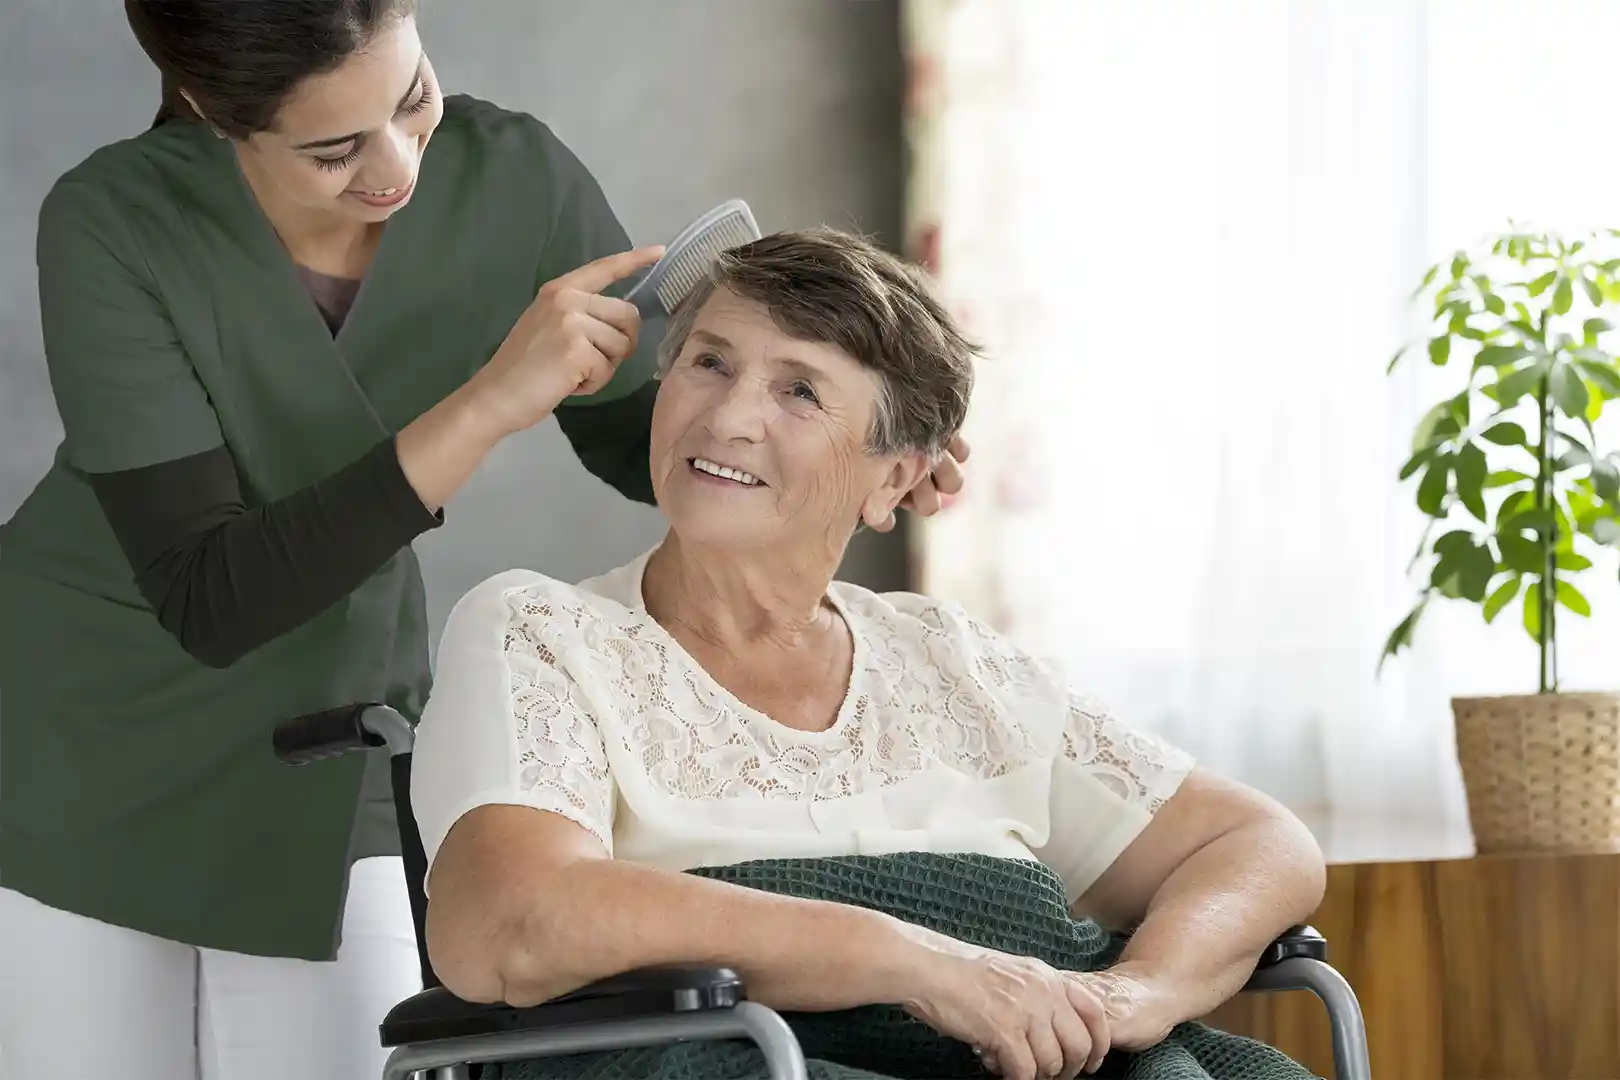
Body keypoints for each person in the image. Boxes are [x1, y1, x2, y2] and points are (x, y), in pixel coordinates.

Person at [0, 5, 966, 1079]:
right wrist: (491, 400)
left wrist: (853, 448)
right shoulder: (113, 220)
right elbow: (207, 596)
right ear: (209, 111)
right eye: (334, 150)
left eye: (413, 98)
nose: (399, 169)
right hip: (74, 741)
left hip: (327, 737)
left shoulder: (517, 181)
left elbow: (644, 439)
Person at [412, 228, 1329, 1080]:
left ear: (894, 474)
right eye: (709, 362)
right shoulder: (544, 633)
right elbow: (512, 921)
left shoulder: (950, 661)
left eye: (800, 390)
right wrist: (910, 960)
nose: (727, 416)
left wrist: (1141, 993)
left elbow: (1255, 842)